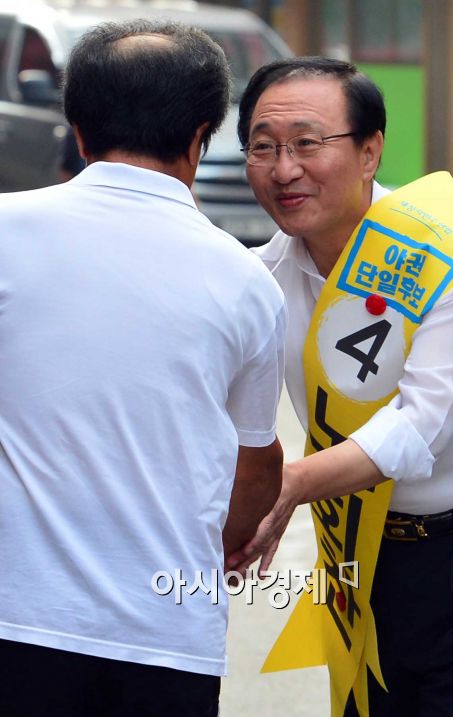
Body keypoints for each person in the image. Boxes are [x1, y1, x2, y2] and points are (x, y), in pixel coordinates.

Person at [0, 20, 286, 717]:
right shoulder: (246, 281)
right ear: (200, 137)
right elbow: (256, 467)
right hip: (167, 638)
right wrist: (220, 547)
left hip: (15, 622)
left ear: (79, 132)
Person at [227, 57, 453, 716]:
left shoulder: (451, 260)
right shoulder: (259, 278)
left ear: (370, 151)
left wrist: (289, 484)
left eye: (306, 143)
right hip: (359, 561)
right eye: (263, 147)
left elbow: (418, 428)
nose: (284, 169)